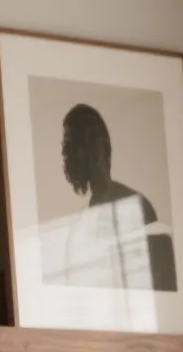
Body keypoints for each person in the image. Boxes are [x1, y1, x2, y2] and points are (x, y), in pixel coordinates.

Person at [53, 103, 176, 292]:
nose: (64, 152)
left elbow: (162, 286)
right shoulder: (83, 224)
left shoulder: (136, 207)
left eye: (70, 144)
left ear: (93, 145)